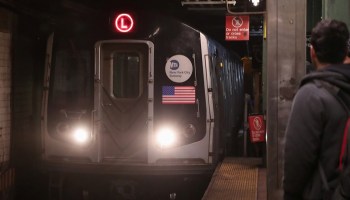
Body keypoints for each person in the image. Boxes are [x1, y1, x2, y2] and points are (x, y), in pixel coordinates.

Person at [283, 19, 350, 200]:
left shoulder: (311, 95)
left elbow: (297, 159)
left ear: (312, 51)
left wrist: (290, 194)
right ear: (345, 52)